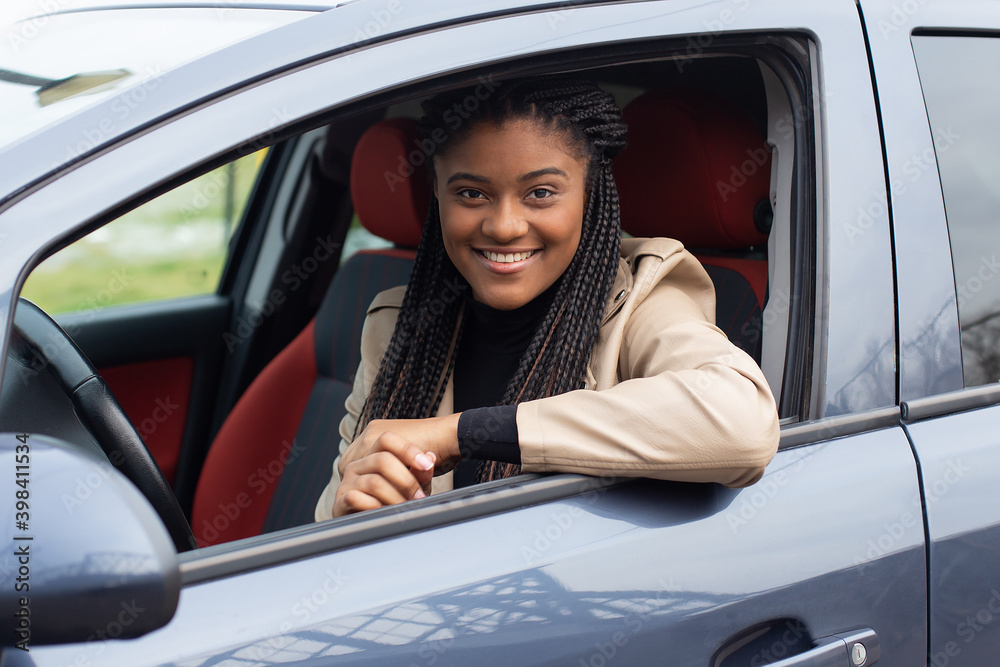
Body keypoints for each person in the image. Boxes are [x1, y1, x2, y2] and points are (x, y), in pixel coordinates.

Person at [314, 77, 779, 521]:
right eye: (471, 193)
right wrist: (348, 511)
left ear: (588, 194)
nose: (504, 226)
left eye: (540, 193)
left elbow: (741, 422)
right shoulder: (397, 327)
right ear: (437, 193)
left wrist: (461, 433)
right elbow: (329, 520)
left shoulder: (640, 301)